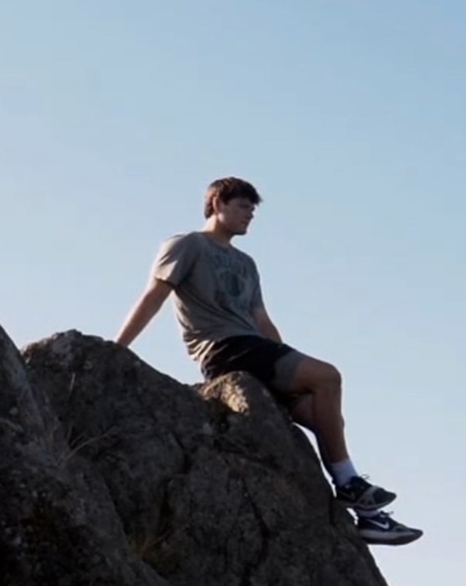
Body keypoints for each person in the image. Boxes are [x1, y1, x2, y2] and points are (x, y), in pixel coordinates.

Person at [114, 177, 422, 545]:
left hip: (256, 349)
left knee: (320, 410)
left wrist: (287, 362)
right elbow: (154, 296)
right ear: (217, 203)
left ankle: (369, 518)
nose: (250, 215)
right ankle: (350, 484)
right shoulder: (186, 245)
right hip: (223, 348)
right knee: (328, 377)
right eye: (243, 206)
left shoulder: (246, 263)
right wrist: (118, 348)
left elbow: (262, 320)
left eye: (253, 209)